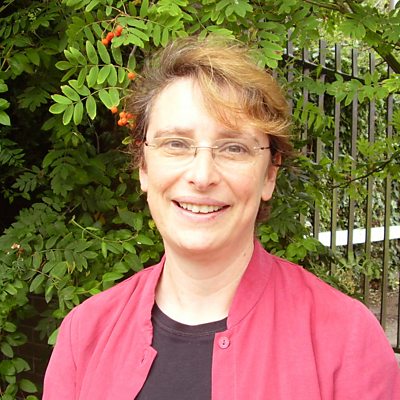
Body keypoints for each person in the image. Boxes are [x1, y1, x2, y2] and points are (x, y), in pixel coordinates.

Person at [43, 36, 400, 400]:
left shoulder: (346, 340)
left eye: (233, 148)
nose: (202, 176)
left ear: (270, 174)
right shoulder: (84, 334)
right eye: (176, 144)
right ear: (144, 166)